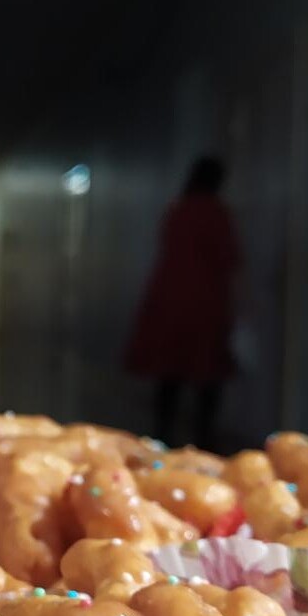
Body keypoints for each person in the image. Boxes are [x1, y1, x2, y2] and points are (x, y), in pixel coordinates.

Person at [125, 155, 240, 445]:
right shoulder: (216, 213)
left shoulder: (177, 210)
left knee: (170, 372)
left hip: (171, 300)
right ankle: (204, 439)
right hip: (205, 303)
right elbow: (229, 258)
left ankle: (162, 434)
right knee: (207, 375)